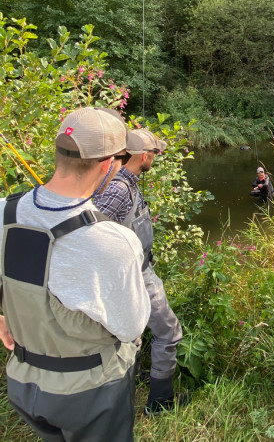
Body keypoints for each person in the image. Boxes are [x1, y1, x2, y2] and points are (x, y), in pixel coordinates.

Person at [0, 107, 150, 442]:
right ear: (107, 164)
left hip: (24, 383)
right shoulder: (113, 240)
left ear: (58, 152)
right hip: (90, 393)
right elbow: (131, 327)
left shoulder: (4, 212)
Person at [93, 128, 186, 416]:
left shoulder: (124, 182)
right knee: (169, 333)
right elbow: (90, 230)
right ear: (143, 156)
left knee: (131, 336)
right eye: (154, 154)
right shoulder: (119, 188)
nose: (155, 158)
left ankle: (131, 386)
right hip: (133, 274)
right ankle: (160, 403)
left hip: (137, 269)